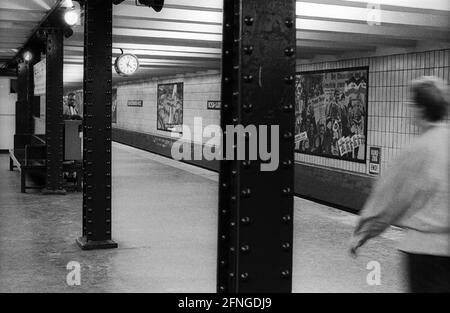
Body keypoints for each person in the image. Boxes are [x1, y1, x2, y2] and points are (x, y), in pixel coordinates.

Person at [349, 76, 450, 293]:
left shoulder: (417, 150)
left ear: (420, 110)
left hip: (426, 254)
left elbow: (390, 201)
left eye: (411, 105)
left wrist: (363, 233)